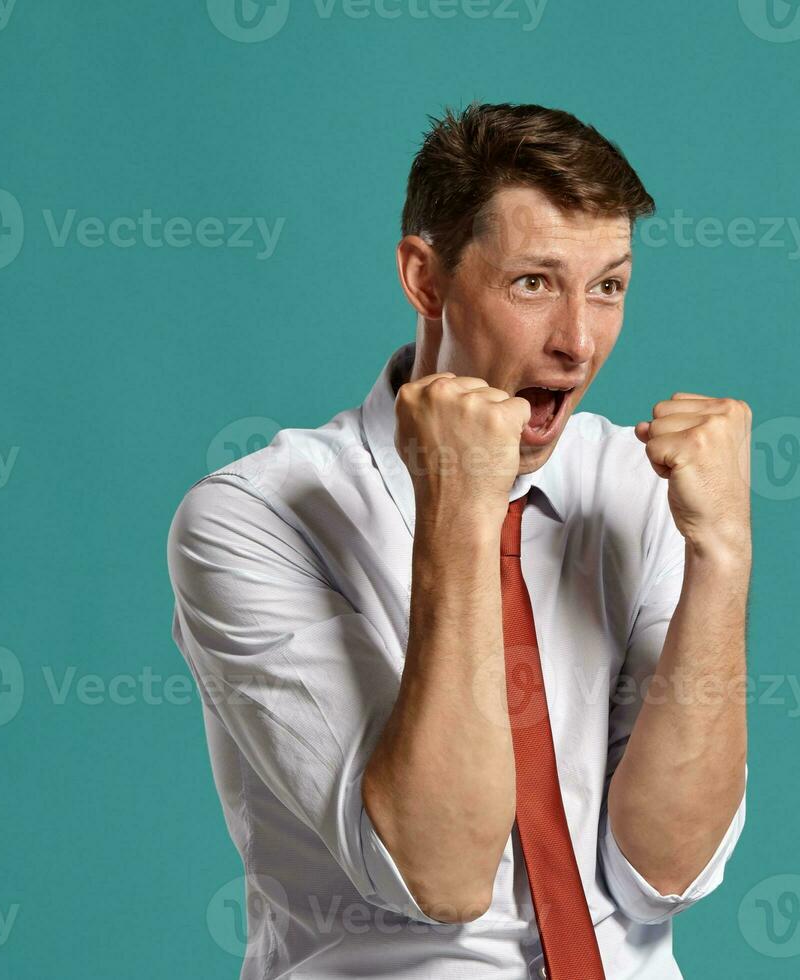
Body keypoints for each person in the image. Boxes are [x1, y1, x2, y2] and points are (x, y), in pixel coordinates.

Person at [166, 102, 751, 980]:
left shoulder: (638, 487)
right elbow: (435, 873)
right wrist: (460, 509)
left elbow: (666, 871)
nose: (578, 343)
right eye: (533, 283)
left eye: (609, 286)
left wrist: (724, 557)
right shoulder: (249, 516)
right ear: (425, 279)